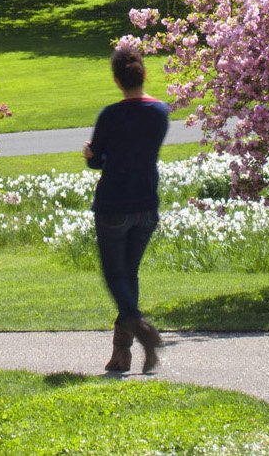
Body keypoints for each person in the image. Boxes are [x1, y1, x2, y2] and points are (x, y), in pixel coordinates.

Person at [82, 41, 170, 373]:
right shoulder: (161, 112)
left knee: (115, 276)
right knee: (129, 275)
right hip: (146, 203)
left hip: (113, 204)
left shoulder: (111, 115)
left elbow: (100, 161)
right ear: (143, 73)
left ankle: (140, 328)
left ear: (117, 80)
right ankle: (122, 354)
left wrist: (92, 156)